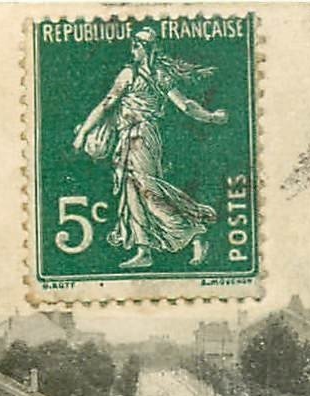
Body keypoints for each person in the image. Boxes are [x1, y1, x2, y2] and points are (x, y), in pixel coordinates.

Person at [71, 27, 227, 270]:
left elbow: (185, 105)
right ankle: (144, 250)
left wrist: (211, 117)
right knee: (132, 192)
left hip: (142, 138)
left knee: (148, 190)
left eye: (137, 45)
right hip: (127, 138)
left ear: (147, 49)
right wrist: (84, 132)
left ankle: (195, 233)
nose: (133, 49)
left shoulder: (153, 75)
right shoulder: (132, 73)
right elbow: (107, 104)